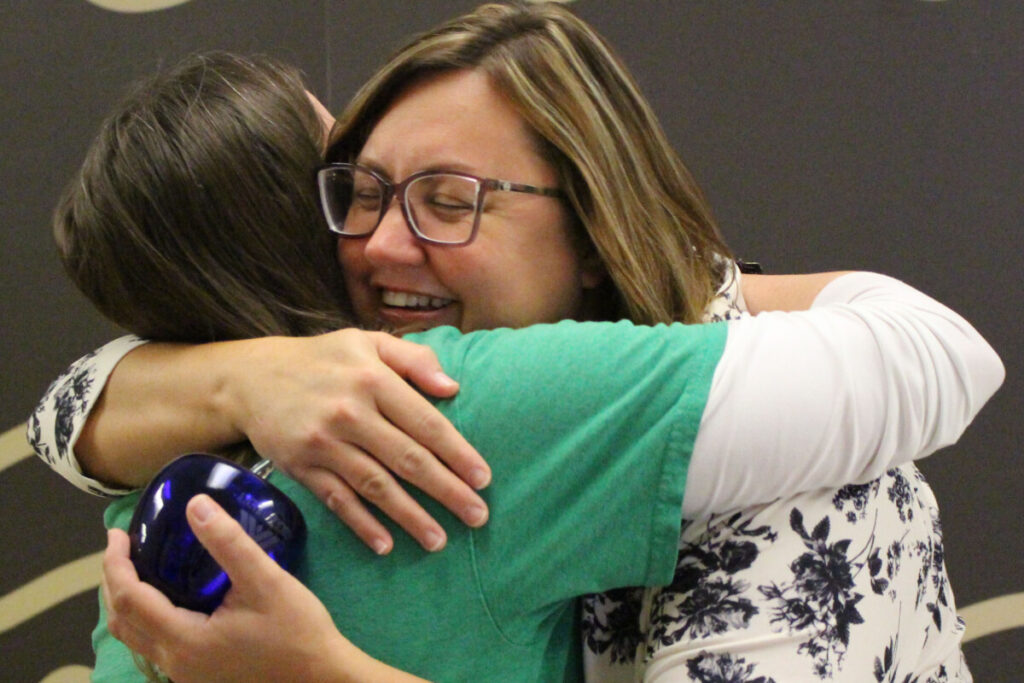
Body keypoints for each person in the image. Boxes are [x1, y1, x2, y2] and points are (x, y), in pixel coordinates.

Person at [29, 4, 1003, 682]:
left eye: (449, 201)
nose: (376, 241)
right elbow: (63, 414)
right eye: (355, 193)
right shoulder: (417, 389)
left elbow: (932, 352)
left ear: (589, 225)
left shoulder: (155, 495)